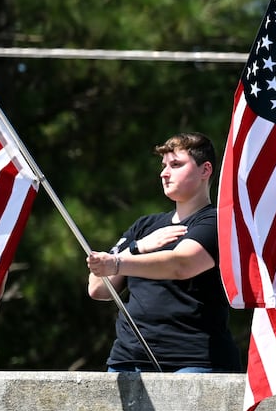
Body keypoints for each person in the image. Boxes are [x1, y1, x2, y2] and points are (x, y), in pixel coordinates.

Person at [85, 133, 240, 373]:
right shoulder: (144, 227)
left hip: (193, 362)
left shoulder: (217, 221)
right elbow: (99, 288)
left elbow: (181, 264)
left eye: (176, 165)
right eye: (164, 166)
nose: (164, 173)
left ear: (205, 170)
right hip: (128, 361)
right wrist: (137, 247)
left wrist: (118, 262)